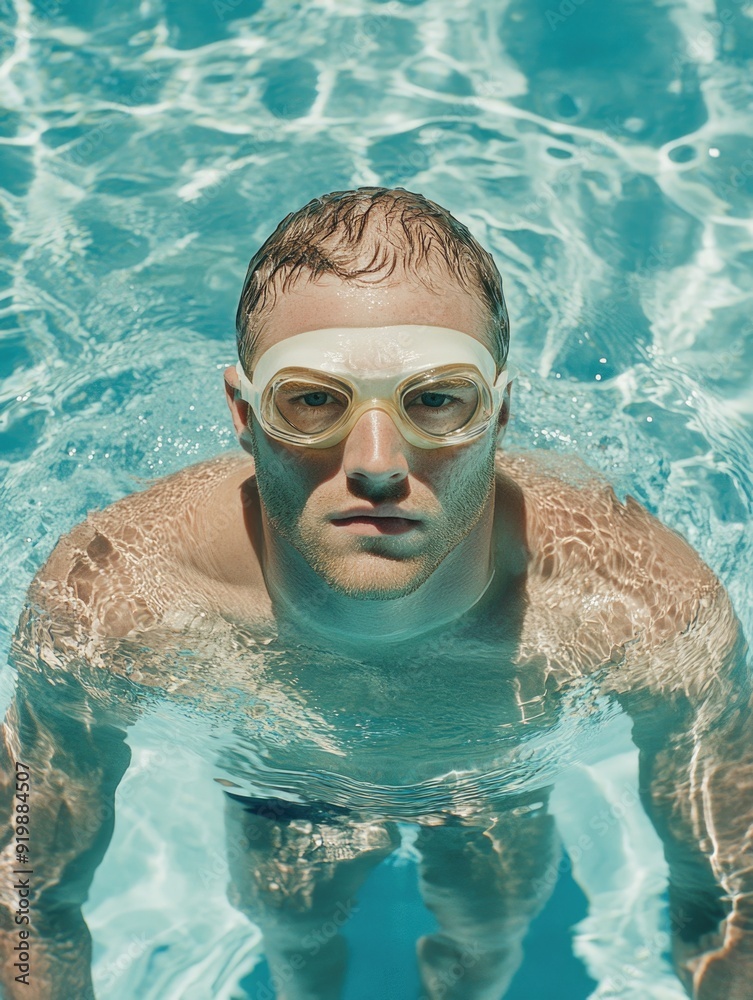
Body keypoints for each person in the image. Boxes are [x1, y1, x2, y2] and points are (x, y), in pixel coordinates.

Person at [0, 187, 750, 1000]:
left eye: (434, 401)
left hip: (489, 781)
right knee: (292, 924)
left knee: (489, 923)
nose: (377, 463)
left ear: (499, 413)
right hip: (283, 788)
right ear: (244, 413)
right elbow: (26, 900)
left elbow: (729, 902)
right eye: (314, 400)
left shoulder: (640, 608)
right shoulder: (115, 599)